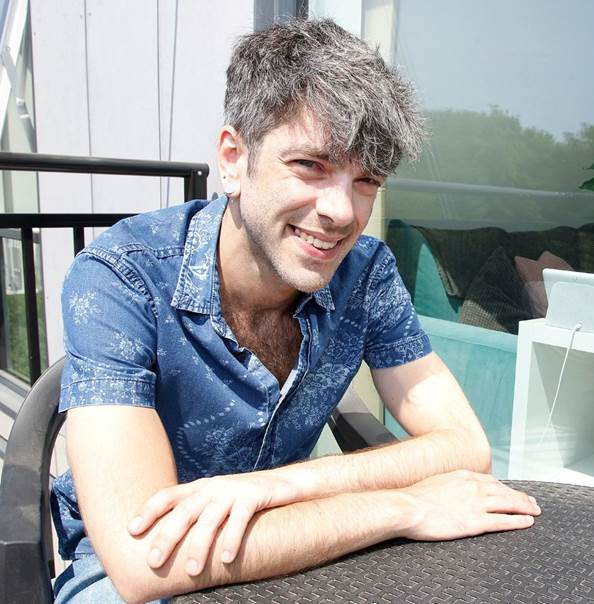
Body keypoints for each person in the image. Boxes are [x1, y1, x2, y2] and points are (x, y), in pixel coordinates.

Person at [51, 19, 540, 603]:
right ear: (233, 159)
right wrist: (402, 506)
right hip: (124, 576)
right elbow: (145, 559)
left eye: (366, 180)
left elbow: (464, 445)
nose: (341, 211)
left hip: (297, 545)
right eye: (310, 165)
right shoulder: (121, 277)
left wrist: (280, 486)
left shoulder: (365, 273)